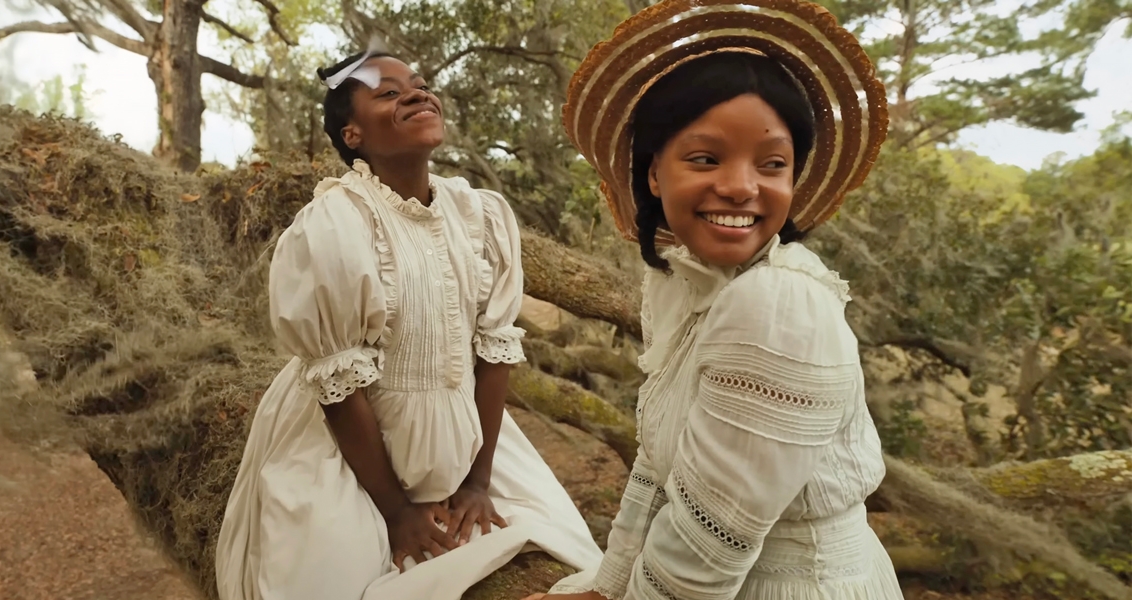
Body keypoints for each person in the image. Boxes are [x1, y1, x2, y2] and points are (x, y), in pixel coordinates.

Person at [525, 0, 903, 598]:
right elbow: (660, 468)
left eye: (772, 163)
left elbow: (708, 552)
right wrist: (608, 581)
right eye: (705, 158)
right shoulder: (680, 284)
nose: (740, 186)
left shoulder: (779, 302)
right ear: (654, 174)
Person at [214, 41, 601, 600]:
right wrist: (396, 511)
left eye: (418, 85)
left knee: (570, 556)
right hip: (351, 450)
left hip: (467, 439)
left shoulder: (478, 215)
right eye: (389, 93)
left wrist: (476, 482)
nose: (416, 93)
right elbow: (339, 388)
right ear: (354, 136)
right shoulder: (335, 226)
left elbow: (492, 353)